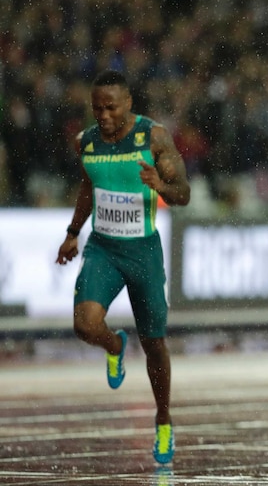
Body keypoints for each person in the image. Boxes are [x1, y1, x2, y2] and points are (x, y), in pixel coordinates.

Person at [55, 69, 190, 464]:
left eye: (111, 107)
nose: (104, 115)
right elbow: (87, 186)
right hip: (104, 248)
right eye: (97, 108)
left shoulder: (154, 137)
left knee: (155, 344)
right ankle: (114, 345)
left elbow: (184, 193)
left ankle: (163, 419)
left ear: (129, 104)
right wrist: (73, 231)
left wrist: (160, 186)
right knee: (84, 325)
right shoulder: (86, 142)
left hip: (143, 252)